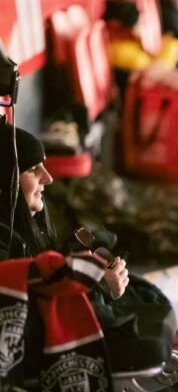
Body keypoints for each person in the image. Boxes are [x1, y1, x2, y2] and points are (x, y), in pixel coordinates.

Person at [0, 122, 129, 299]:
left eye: (42, 165)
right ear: (4, 182)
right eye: (32, 169)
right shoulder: (4, 250)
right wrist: (96, 286)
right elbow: (37, 316)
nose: (48, 178)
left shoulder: (35, 228)